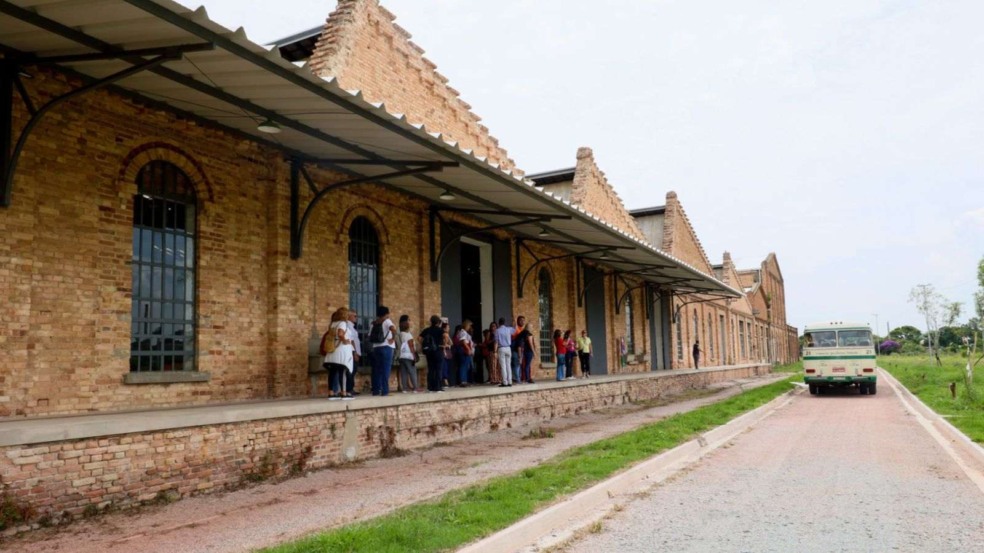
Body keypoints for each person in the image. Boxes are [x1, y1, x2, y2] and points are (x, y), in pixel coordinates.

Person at [324, 307, 354, 400]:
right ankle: (343, 393)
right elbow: (341, 334)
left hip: (332, 351)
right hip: (341, 351)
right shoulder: (343, 323)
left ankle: (331, 393)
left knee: (332, 372)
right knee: (343, 371)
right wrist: (345, 341)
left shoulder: (333, 323)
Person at [370, 306, 396, 396]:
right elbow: (393, 329)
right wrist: (393, 338)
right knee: (386, 370)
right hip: (386, 347)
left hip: (376, 348)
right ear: (386, 313)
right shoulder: (387, 321)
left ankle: (376, 390)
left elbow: (369, 336)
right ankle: (385, 391)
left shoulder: (373, 323)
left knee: (376, 370)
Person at [419, 315, 444, 392]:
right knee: (438, 369)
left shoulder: (427, 330)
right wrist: (444, 344)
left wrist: (423, 344)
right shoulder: (440, 330)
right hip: (438, 351)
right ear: (438, 322)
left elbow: (419, 338)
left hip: (429, 352)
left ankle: (430, 387)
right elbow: (446, 336)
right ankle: (438, 387)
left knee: (431, 369)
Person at [397, 315, 419, 393]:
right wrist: (414, 356)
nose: (410, 322)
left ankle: (404, 388)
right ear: (405, 322)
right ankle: (415, 388)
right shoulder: (408, 335)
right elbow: (411, 346)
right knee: (412, 371)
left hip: (401, 355)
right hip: (409, 355)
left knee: (404, 372)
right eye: (409, 320)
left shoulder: (399, 334)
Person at [346, 310, 361, 396]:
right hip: (352, 352)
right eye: (354, 316)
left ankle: (350, 388)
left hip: (355, 352)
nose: (356, 318)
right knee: (351, 371)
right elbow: (351, 341)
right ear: (349, 316)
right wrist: (355, 353)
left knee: (353, 371)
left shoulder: (352, 326)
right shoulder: (348, 326)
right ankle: (349, 389)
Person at [495, 317, 514, 387]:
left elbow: (496, 342)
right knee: (508, 365)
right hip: (508, 348)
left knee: (503, 366)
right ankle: (510, 381)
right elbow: (514, 330)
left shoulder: (497, 331)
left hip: (501, 348)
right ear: (504, 322)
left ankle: (504, 382)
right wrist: (514, 322)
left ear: (499, 323)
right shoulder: (509, 329)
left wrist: (495, 351)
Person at [456, 320, 475, 387]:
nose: (470, 327)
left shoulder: (465, 333)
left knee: (466, 366)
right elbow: (463, 341)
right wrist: (468, 349)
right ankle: (463, 381)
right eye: (469, 325)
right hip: (464, 350)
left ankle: (465, 380)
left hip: (465, 350)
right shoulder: (463, 332)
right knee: (463, 366)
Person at [440, 322, 453, 390]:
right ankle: (445, 381)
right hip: (444, 352)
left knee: (446, 366)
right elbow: (447, 344)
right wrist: (447, 345)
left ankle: (445, 380)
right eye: (448, 327)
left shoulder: (446, 335)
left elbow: (451, 343)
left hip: (446, 352)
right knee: (444, 367)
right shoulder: (445, 334)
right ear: (444, 328)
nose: (449, 328)